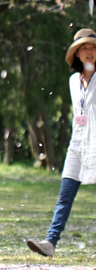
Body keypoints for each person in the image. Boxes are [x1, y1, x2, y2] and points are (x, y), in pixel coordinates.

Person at [27, 29, 96, 257]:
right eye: (84, 48)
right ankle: (50, 242)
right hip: (77, 145)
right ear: (76, 53)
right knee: (65, 196)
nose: (89, 52)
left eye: (93, 47)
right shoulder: (73, 81)